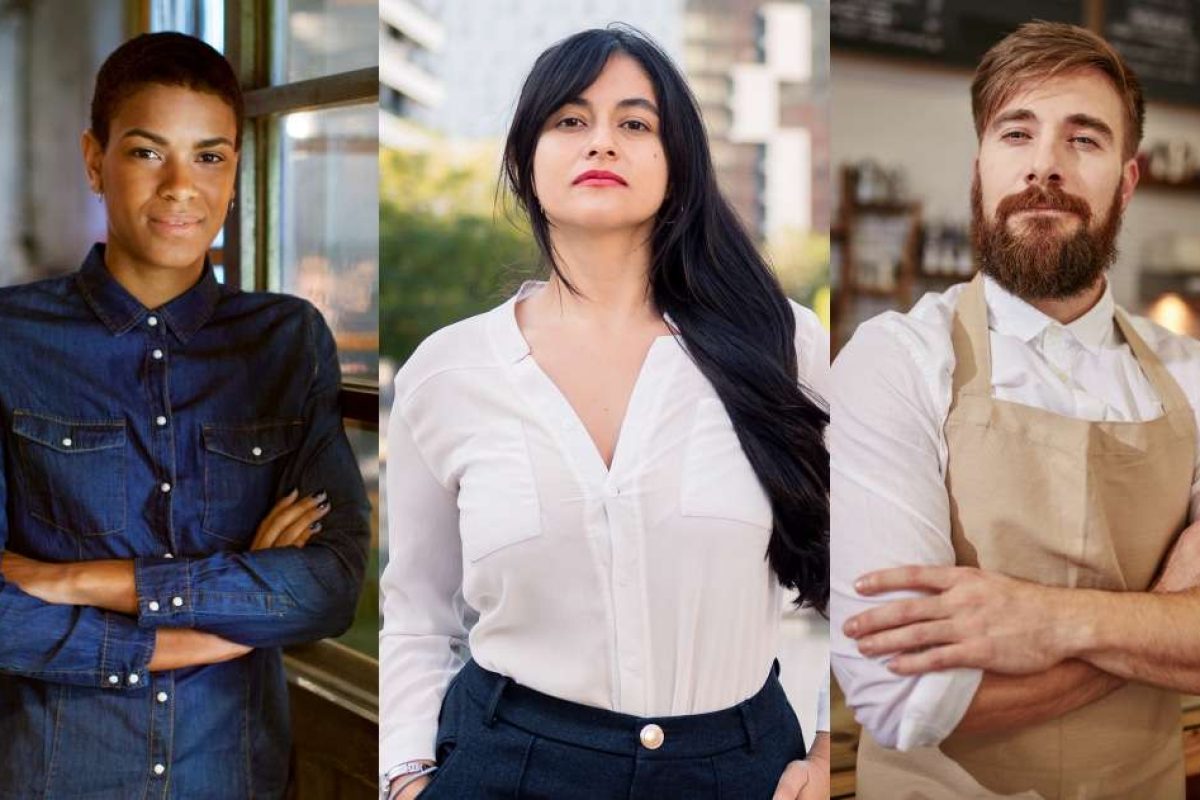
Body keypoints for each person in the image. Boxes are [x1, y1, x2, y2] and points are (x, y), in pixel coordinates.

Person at [379, 25, 830, 800]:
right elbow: (417, 612)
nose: (602, 144)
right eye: (569, 121)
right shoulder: (447, 374)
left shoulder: (784, 345)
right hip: (505, 765)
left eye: (635, 123)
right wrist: (406, 779)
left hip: (740, 769)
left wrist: (828, 749)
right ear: (525, 158)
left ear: (677, 162)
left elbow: (858, 572)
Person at [831, 21, 1200, 800]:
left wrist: (1043, 619)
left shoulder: (1192, 376)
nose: (1045, 167)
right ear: (980, 167)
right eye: (1017, 132)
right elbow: (904, 698)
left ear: (1127, 182)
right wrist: (1161, 623)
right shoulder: (894, 361)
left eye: (1085, 140)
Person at [0, 32, 370, 798]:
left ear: (236, 172)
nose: (180, 187)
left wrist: (74, 581)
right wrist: (196, 634)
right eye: (145, 153)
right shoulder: (10, 340)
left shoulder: (287, 341)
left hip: (236, 778)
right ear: (94, 160)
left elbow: (328, 586)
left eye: (210, 156)